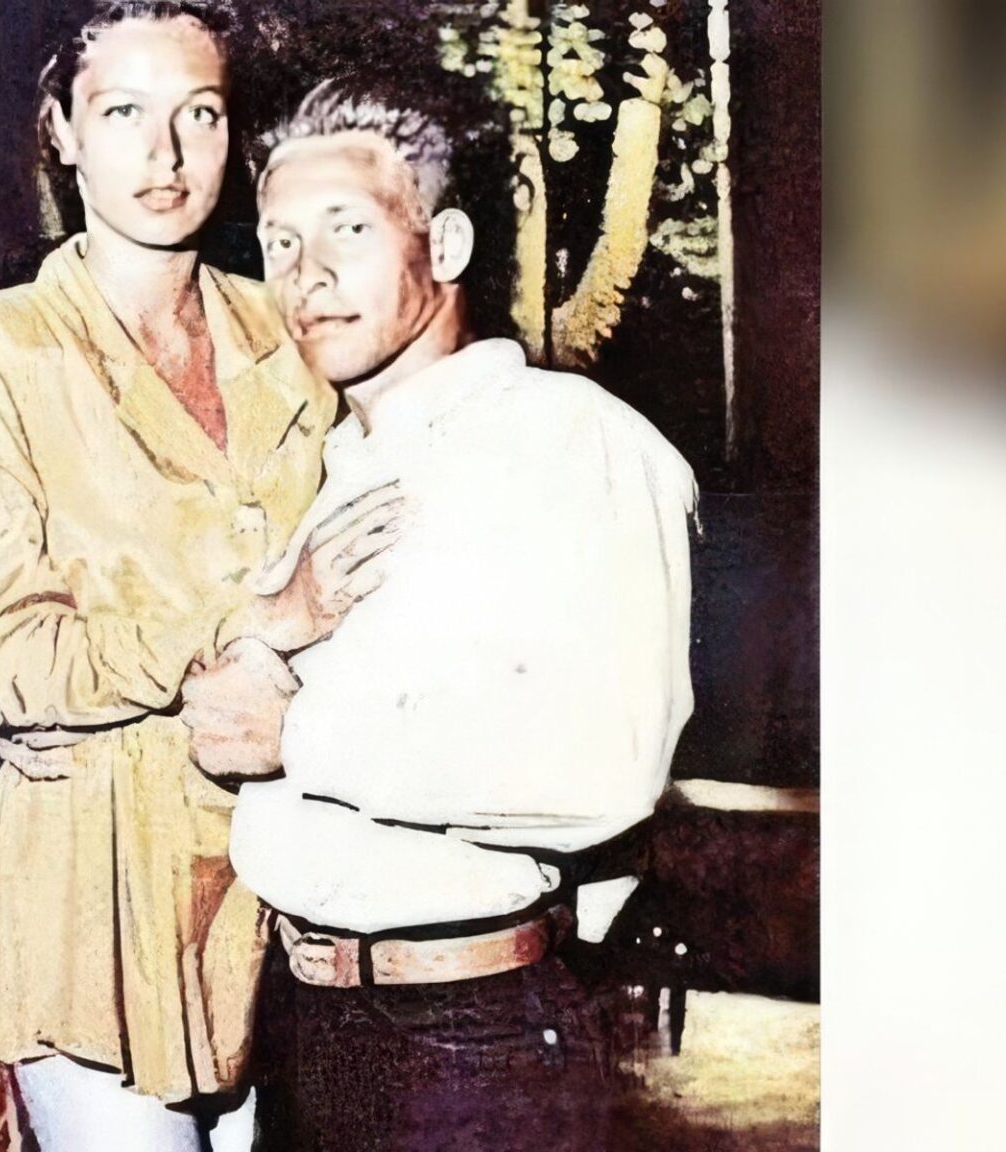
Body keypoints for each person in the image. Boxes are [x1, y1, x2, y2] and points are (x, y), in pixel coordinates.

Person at [179, 76, 699, 1150]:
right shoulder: (336, 469)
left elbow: (604, 769)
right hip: (310, 1028)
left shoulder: (568, 438)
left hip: (470, 1043)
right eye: (279, 243)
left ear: (446, 244)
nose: (307, 275)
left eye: (348, 230)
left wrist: (296, 735)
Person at [0, 10, 398, 1149]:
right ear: (61, 131)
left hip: (287, 896)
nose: (165, 154)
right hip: (95, 901)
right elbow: (19, 657)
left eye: (201, 114)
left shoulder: (290, 328)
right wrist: (255, 619)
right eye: (123, 111)